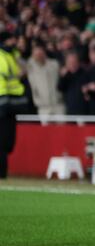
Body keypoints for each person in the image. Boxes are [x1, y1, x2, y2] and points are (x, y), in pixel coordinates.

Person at [0, 32, 27, 178]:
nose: (14, 42)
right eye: (12, 39)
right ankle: (1, 174)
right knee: (3, 141)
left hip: (12, 102)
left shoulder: (12, 55)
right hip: (3, 101)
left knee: (8, 142)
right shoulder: (2, 56)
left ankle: (3, 173)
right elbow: (7, 75)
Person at [26, 42, 65, 116]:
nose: (39, 55)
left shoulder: (54, 64)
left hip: (58, 104)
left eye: (40, 52)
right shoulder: (30, 67)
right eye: (36, 54)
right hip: (43, 107)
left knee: (61, 127)